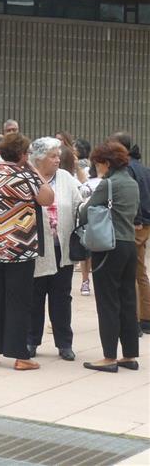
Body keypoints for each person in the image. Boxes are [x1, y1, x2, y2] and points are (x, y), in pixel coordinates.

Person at [0, 133, 53, 370]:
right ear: (22, 154)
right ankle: (20, 356)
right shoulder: (26, 177)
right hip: (21, 247)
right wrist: (33, 169)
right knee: (19, 301)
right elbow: (47, 198)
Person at [81, 141, 141, 372]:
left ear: (106, 163)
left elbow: (87, 211)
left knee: (107, 301)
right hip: (128, 245)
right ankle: (129, 355)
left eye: (98, 163)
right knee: (126, 299)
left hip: (108, 246)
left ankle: (109, 357)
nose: (97, 168)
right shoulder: (131, 183)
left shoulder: (108, 184)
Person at [27, 137, 81, 361]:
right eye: (53, 156)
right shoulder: (29, 178)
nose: (58, 159)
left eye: (58, 155)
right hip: (36, 248)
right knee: (35, 296)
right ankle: (31, 341)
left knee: (61, 296)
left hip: (62, 247)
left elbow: (79, 204)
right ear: (39, 158)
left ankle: (64, 343)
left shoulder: (66, 178)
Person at [109, 133, 150, 336]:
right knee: (140, 272)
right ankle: (146, 318)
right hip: (145, 224)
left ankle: (132, 319)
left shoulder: (126, 170)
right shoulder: (143, 168)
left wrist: (137, 221)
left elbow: (132, 201)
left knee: (130, 272)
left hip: (133, 224)